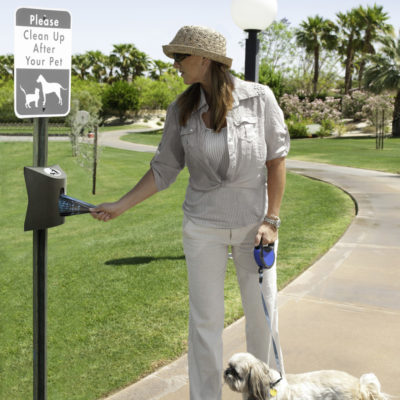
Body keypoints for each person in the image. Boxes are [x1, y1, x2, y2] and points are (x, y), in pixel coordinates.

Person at [90, 25, 290, 400]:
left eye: (180, 57)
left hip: (255, 228)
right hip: (202, 228)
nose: (175, 65)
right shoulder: (180, 109)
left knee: (263, 318)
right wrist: (120, 206)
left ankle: (264, 395)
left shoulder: (259, 98)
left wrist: (272, 219)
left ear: (204, 59)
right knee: (204, 323)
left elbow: (276, 160)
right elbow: (163, 169)